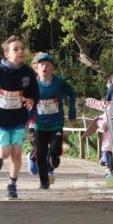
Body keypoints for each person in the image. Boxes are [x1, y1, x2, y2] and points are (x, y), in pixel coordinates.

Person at [0, 35, 39, 199]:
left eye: (22, 48)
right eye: (16, 49)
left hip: (19, 119)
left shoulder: (28, 72)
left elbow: (34, 92)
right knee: (6, 153)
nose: (20, 51)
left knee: (17, 154)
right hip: (0, 120)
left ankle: (12, 186)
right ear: (7, 54)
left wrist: (32, 100)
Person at [31, 52, 77, 189]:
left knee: (55, 149)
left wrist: (72, 111)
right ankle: (44, 182)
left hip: (56, 123)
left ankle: (55, 157)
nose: (44, 67)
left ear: (53, 68)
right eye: (42, 65)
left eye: (48, 65)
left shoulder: (59, 82)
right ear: (37, 68)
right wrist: (25, 118)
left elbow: (72, 93)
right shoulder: (34, 85)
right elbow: (28, 101)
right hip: (40, 124)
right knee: (40, 154)